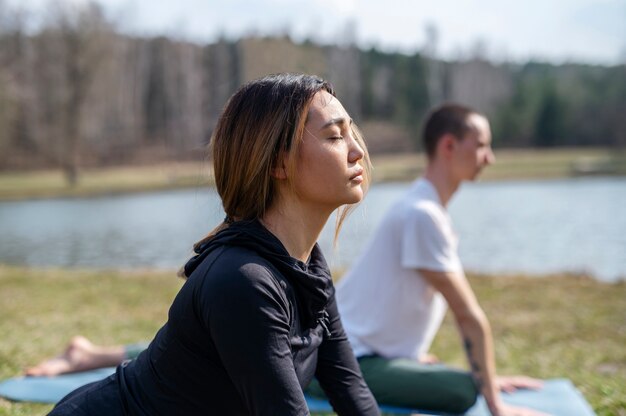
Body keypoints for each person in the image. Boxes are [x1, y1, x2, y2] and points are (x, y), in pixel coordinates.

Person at [46, 73, 380, 415]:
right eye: (335, 136)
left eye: (351, 133)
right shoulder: (244, 281)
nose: (356, 151)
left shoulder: (308, 268)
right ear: (279, 162)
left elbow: (349, 388)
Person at [333, 104, 545, 416]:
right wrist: (496, 406)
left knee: (465, 382)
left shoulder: (421, 207)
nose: (490, 158)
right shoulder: (421, 215)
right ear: (449, 145)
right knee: (461, 390)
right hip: (341, 363)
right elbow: (468, 316)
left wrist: (485, 378)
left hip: (361, 355)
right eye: (482, 145)